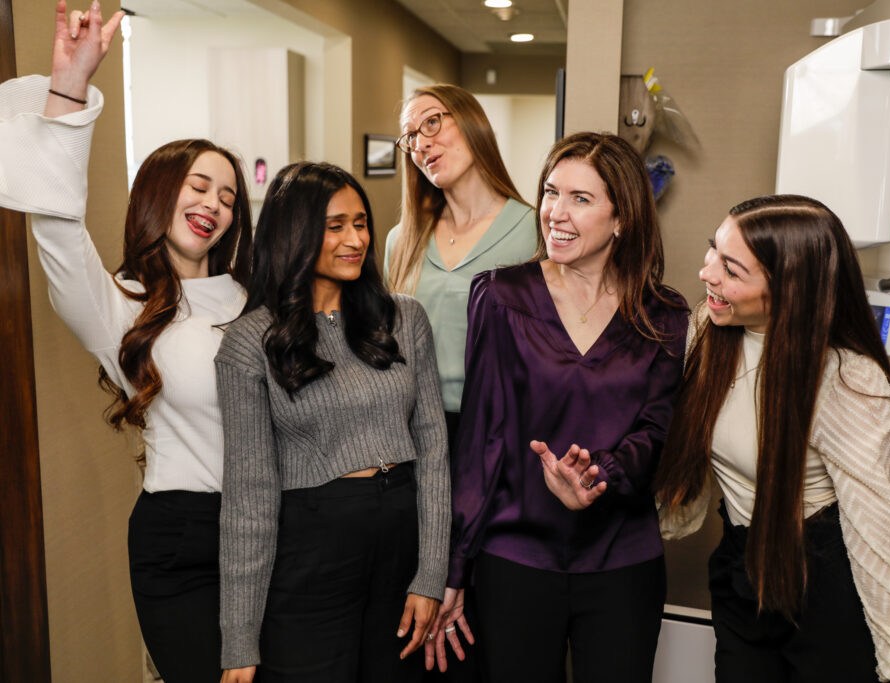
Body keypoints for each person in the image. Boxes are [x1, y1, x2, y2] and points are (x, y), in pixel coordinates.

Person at [0, 4, 255, 682]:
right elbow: (55, 227)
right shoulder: (122, 305)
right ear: (160, 191)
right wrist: (69, 86)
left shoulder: (258, 302)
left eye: (229, 195)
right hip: (183, 541)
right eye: (199, 185)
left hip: (276, 532)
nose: (215, 203)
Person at [654, 195, 890, 682]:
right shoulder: (710, 331)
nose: (707, 273)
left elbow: (877, 524)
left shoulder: (844, 378)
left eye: (731, 268)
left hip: (820, 578)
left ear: (789, 289)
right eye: (714, 252)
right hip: (740, 564)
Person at [439, 132, 688, 683]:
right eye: (552, 192)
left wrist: (597, 475)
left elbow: (659, 428)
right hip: (515, 557)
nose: (556, 212)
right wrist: (455, 566)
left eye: (581, 198)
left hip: (622, 559)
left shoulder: (663, 314)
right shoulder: (500, 296)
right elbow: (482, 439)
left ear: (622, 218)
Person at [215, 162, 450, 683]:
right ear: (294, 234)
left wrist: (431, 575)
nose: (356, 239)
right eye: (336, 225)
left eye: (361, 223)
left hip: (401, 543)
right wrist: (239, 641)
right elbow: (249, 497)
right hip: (312, 554)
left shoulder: (405, 319)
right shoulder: (250, 342)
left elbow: (433, 449)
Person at [384, 83, 537, 677]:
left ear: (470, 121)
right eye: (409, 137)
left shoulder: (535, 231)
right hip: (417, 443)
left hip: (502, 445)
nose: (420, 144)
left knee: (483, 615)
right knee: (420, 614)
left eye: (431, 124)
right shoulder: (404, 239)